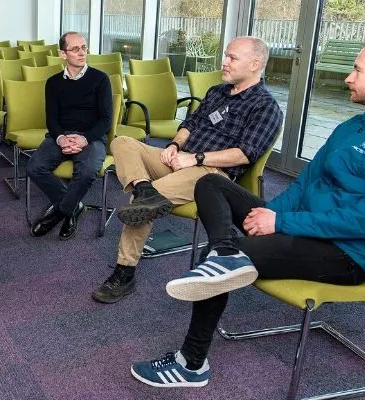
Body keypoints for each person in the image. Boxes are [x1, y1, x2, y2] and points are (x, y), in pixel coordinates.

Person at [129, 35, 365, 388]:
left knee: (220, 255)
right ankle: (226, 254)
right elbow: (305, 185)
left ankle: (190, 364)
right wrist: (271, 214)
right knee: (211, 183)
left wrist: (282, 222)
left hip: (345, 252)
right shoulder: (353, 126)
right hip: (302, 228)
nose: (348, 77)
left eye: (356, 69)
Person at [91, 36, 283, 304]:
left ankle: (125, 272)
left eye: (232, 58)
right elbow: (190, 123)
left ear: (255, 64)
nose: (223, 62)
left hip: (211, 176)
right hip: (179, 159)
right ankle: (145, 190)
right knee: (122, 142)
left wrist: (196, 158)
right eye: (225, 55)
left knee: (143, 203)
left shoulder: (265, 106)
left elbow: (245, 153)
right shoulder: (217, 91)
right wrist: (174, 145)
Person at [26, 31, 112, 240]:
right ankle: (74, 207)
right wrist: (61, 138)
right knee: (34, 167)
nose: (82, 53)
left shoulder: (100, 79)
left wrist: (84, 139)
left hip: (91, 138)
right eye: (75, 49)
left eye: (84, 47)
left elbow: (106, 120)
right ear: (63, 54)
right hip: (61, 135)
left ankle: (60, 213)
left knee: (86, 172)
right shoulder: (53, 82)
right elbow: (51, 119)